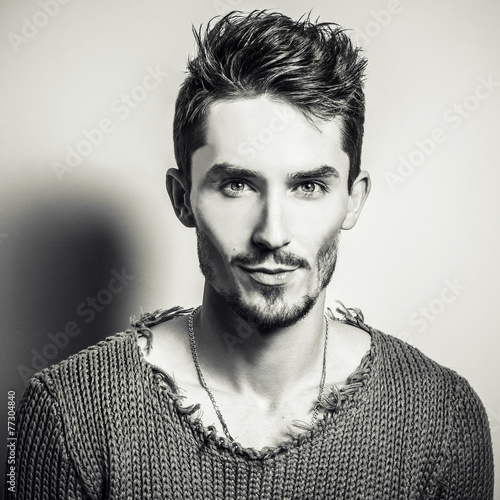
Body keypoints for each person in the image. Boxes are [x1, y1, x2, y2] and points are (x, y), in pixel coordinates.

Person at [6, 10, 494, 500]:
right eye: (237, 184)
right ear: (182, 199)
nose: (272, 233)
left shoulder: (441, 419)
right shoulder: (68, 413)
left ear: (353, 199)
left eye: (308, 186)